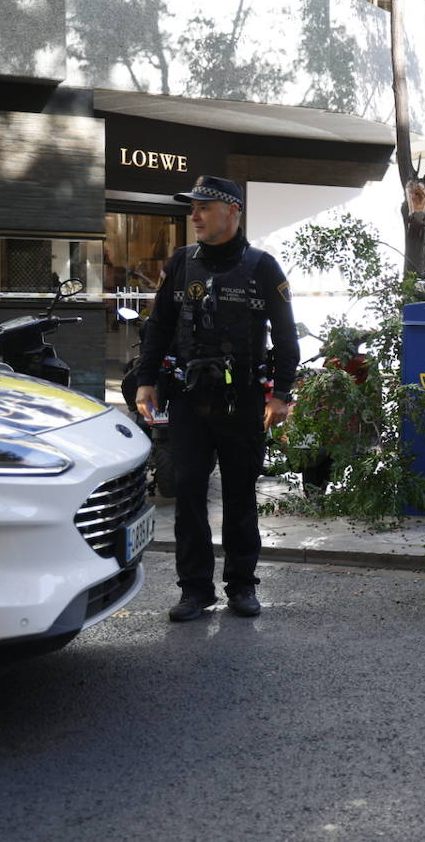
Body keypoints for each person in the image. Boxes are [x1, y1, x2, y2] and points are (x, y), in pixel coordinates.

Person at [133, 176, 299, 622]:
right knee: (187, 495)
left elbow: (285, 335)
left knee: (240, 496)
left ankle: (242, 586)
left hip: (243, 401)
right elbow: (159, 327)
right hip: (189, 398)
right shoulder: (181, 263)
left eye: (205, 207)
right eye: (194, 208)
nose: (196, 216)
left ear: (233, 212)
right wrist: (146, 379)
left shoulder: (262, 267)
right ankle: (195, 591)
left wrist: (282, 393)